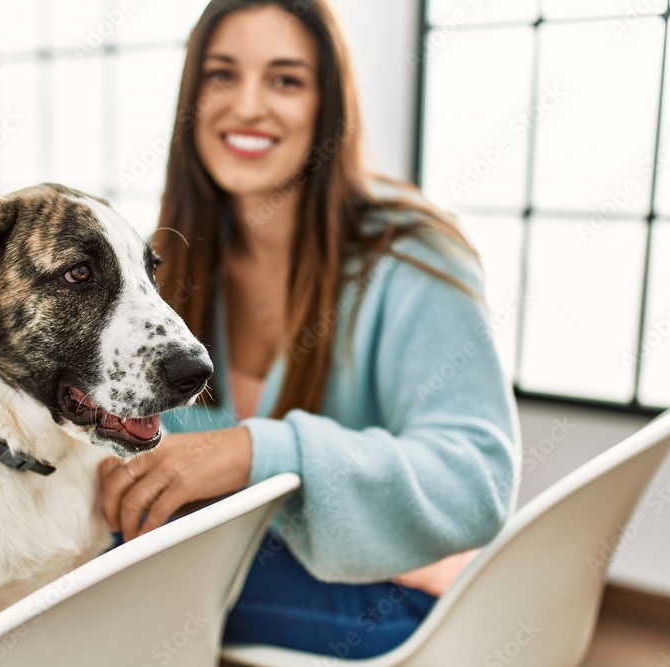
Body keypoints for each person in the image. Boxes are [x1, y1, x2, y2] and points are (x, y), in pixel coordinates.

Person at [97, 0, 520, 658]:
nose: (247, 106)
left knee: (87, 581)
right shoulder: (174, 262)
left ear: (328, 106)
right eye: (222, 75)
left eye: (286, 79)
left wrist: (259, 451)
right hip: (236, 561)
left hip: (403, 596)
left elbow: (478, 479)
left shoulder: (412, 255)